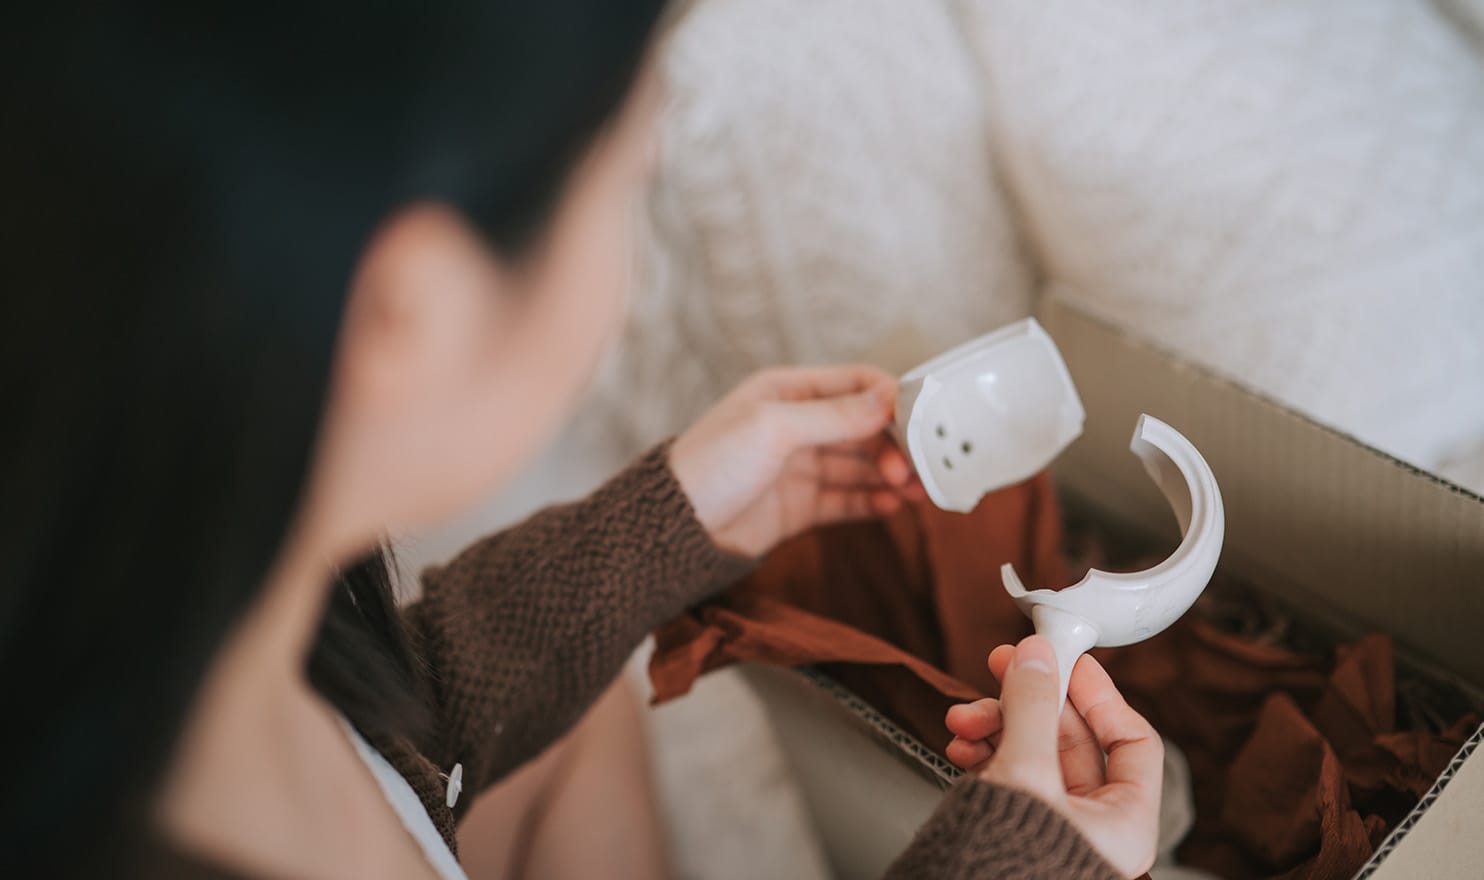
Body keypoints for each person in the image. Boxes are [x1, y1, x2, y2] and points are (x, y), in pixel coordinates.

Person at [0, 3, 1162, 878]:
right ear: (404, 315)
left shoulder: (176, 627)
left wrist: (671, 518)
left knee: (582, 707)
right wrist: (1017, 859)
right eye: (627, 176)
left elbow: (401, 730)